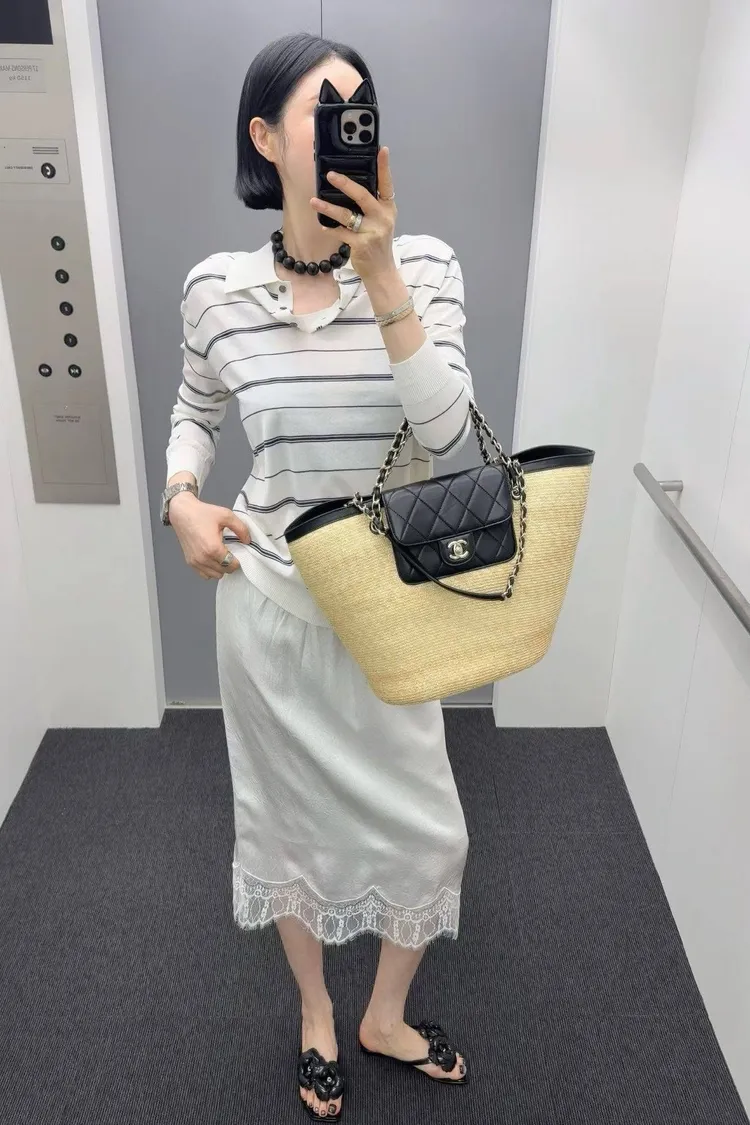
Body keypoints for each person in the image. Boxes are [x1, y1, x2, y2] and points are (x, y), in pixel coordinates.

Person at [161, 31, 472, 1120]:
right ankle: (318, 1014)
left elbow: (453, 442)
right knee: (285, 824)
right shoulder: (216, 290)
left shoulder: (427, 267)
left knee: (429, 830)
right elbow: (194, 411)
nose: (353, 128)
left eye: (363, 110)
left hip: (390, 610)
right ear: (265, 138)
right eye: (325, 112)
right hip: (271, 608)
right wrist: (180, 496)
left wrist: (380, 273)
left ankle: (385, 1014)